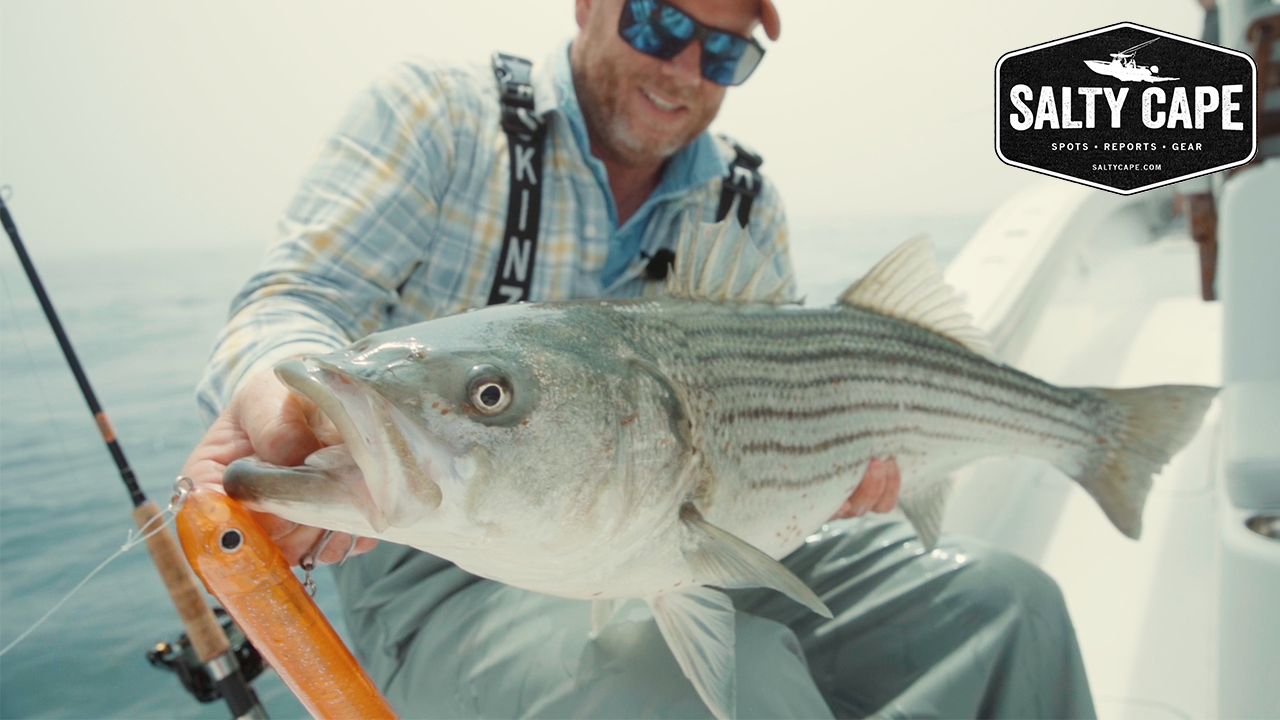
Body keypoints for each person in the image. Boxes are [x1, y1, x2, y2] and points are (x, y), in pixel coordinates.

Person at [183, 0, 1097, 717]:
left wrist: (835, 470)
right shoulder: (441, 117)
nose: (685, 68)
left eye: (725, 52)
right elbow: (294, 297)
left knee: (1008, 604)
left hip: (698, 529)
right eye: (659, 22)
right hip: (439, 574)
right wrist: (278, 396)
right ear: (588, 4)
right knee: (722, 690)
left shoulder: (743, 199)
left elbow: (789, 405)